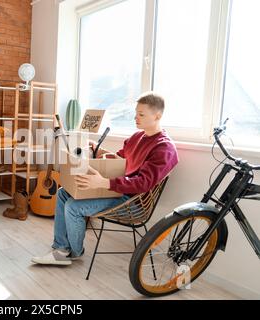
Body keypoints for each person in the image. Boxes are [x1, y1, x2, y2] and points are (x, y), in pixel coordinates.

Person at [31, 92, 179, 265]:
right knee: (64, 193)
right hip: (116, 191)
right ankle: (61, 247)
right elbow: (120, 159)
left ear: (157, 116)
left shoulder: (164, 148)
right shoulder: (137, 137)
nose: (135, 118)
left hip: (132, 203)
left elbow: (143, 183)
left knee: (73, 206)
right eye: (136, 113)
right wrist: (100, 151)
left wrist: (104, 182)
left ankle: (73, 253)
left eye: (141, 114)